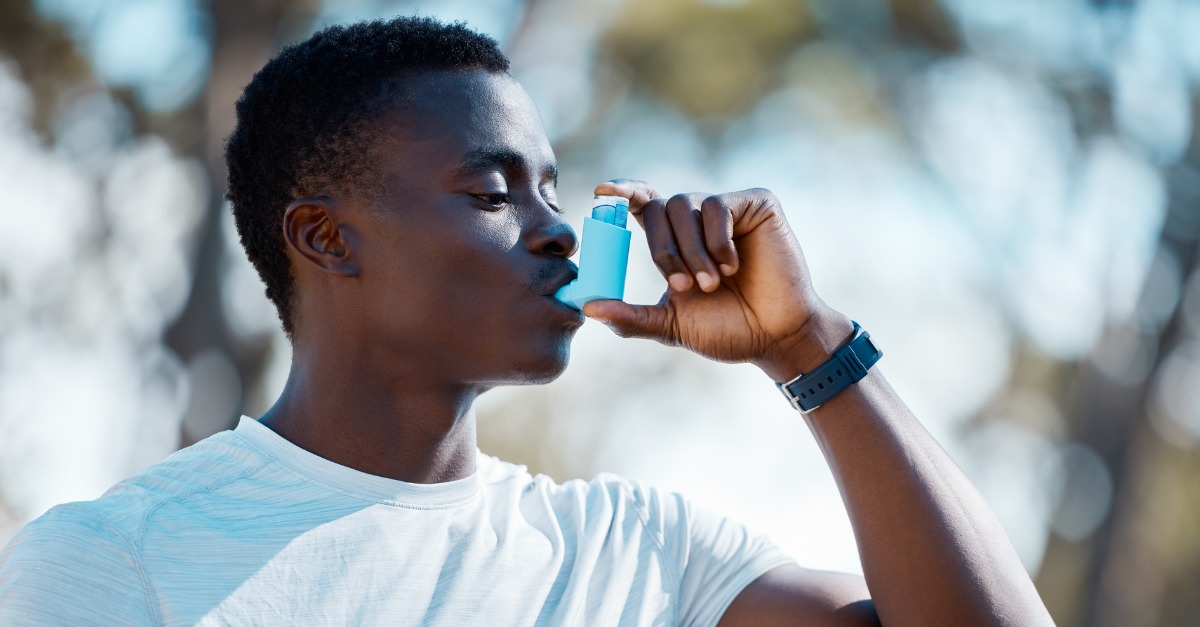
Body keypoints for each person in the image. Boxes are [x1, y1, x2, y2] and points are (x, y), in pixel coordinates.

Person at [0, 16, 1052, 626]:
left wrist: (809, 347)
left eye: (553, 191)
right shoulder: (112, 563)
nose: (555, 233)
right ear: (326, 240)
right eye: (494, 194)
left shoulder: (642, 553)